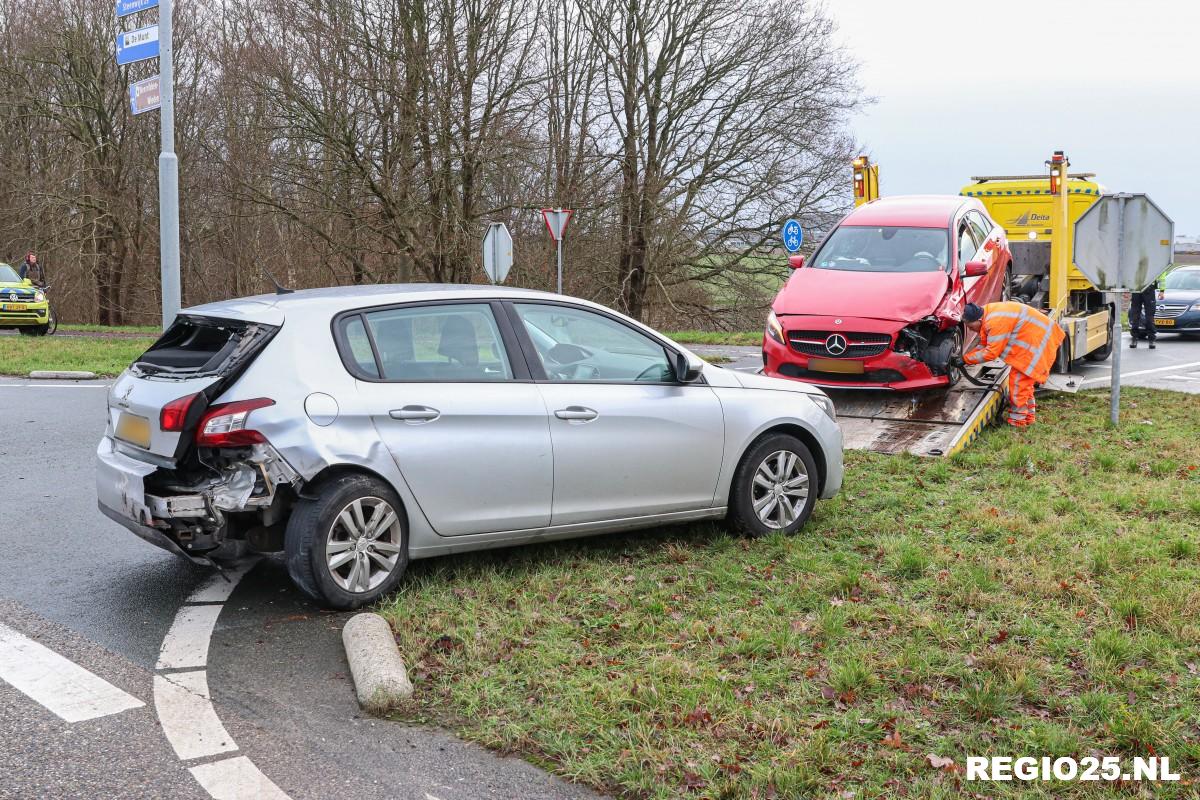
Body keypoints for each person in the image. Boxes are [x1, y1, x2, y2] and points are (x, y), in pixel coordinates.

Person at [950, 302, 1065, 428]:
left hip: (1035, 345)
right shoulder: (989, 313)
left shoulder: (995, 322)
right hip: (1035, 340)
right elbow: (984, 345)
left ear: (978, 320)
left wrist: (965, 360)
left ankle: (1018, 423)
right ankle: (1028, 418)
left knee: (1018, 385)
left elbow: (990, 352)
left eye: (970, 326)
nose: (970, 329)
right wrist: (965, 358)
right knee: (1024, 385)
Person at [1128, 279, 1163, 350]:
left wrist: (1162, 290)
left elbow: (1161, 275)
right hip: (1136, 288)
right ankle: (1134, 338)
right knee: (1135, 315)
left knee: (1150, 317)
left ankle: (1151, 339)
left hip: (1149, 288)